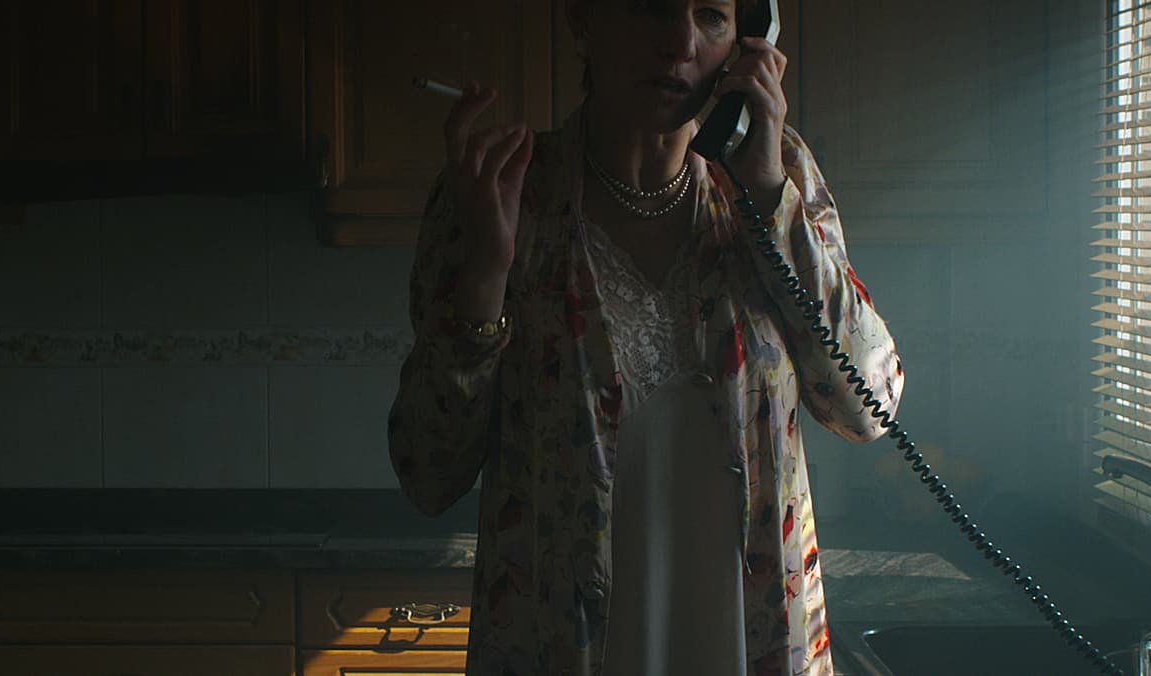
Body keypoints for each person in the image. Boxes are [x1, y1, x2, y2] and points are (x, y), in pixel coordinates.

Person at [386, 0, 906, 674]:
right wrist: (486, 273)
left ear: (749, 39)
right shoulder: (504, 193)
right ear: (583, 18)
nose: (681, 42)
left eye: (712, 15)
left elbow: (868, 408)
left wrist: (771, 197)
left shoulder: (777, 175)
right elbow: (427, 473)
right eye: (650, 7)